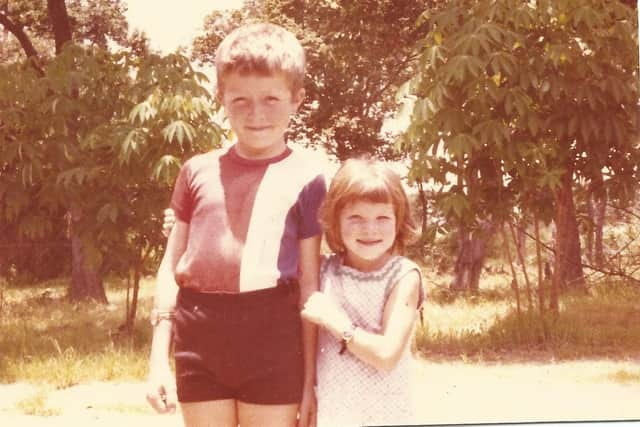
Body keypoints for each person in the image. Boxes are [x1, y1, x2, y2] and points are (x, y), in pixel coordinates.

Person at [145, 22, 325, 427]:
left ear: (297, 99)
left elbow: (310, 287)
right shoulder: (196, 171)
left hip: (273, 339)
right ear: (221, 98)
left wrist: (310, 380)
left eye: (271, 98)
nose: (256, 113)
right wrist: (159, 359)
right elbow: (170, 269)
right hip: (200, 336)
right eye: (240, 99)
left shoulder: (309, 177)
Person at [301, 158, 424, 427]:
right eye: (355, 218)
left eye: (382, 218)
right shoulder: (323, 271)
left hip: (386, 413)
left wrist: (336, 322)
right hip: (334, 411)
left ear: (398, 220)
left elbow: (386, 356)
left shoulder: (403, 275)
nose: (370, 229)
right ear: (335, 221)